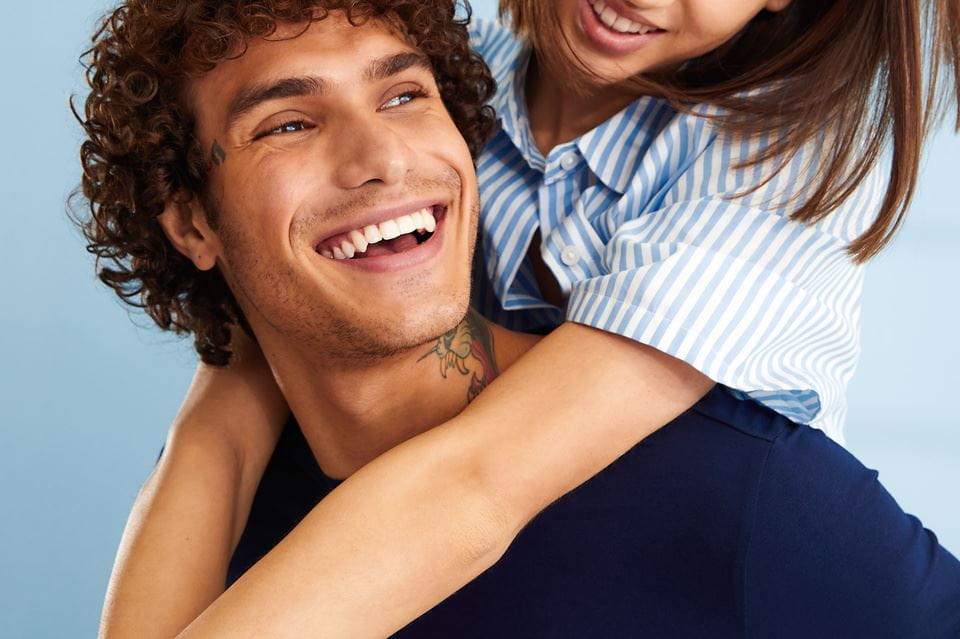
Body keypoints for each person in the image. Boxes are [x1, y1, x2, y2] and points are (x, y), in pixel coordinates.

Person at [73, 0, 960, 637]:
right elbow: (221, 412)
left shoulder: (766, 186)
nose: (384, 153)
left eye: (403, 97)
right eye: (290, 124)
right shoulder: (477, 64)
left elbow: (479, 484)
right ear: (189, 220)